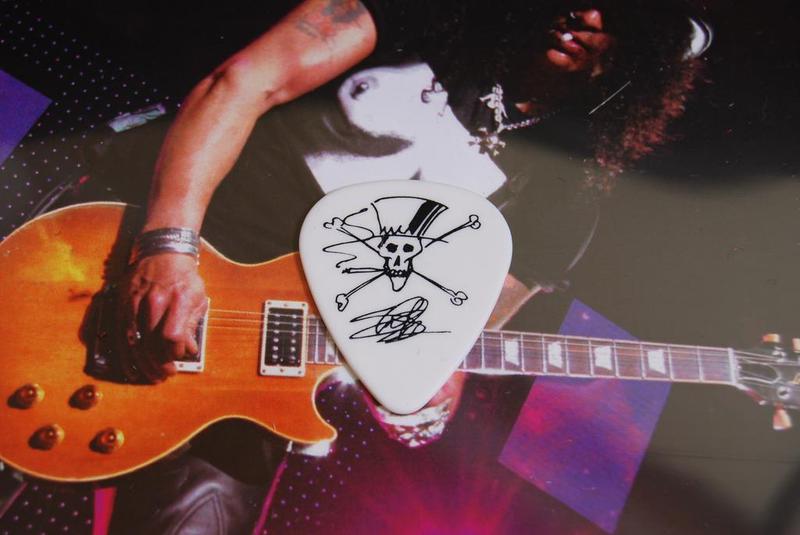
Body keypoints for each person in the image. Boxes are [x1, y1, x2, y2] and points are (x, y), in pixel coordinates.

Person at [110, 1, 706, 532]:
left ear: (641, 50)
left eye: (618, 13)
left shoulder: (568, 195)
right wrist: (168, 246)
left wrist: (424, 394)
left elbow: (451, 345)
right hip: (145, 259)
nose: (588, 14)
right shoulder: (428, 15)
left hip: (255, 380)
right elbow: (241, 83)